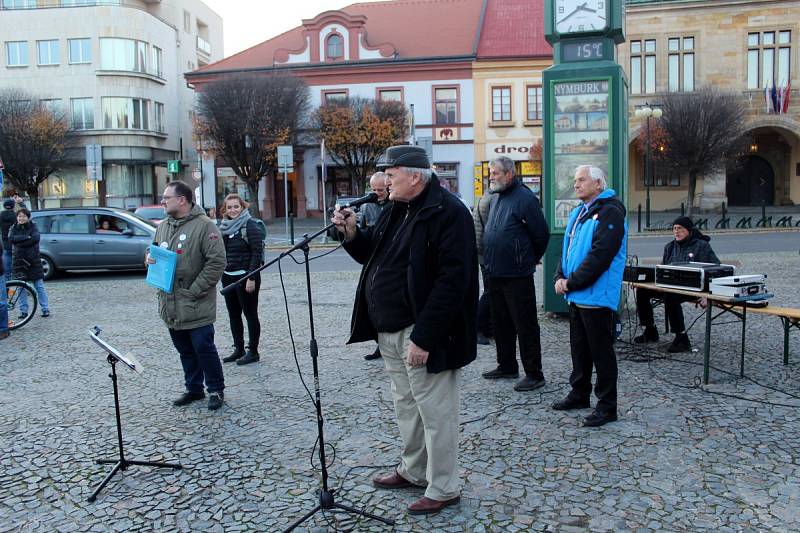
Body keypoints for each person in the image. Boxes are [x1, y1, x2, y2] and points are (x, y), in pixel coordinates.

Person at [331, 145, 478, 515]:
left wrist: (424, 337)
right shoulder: (399, 208)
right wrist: (350, 233)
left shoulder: (449, 212)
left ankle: (444, 486)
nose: (384, 180)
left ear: (414, 176)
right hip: (390, 329)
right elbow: (373, 255)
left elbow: (454, 281)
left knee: (436, 413)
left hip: (423, 332)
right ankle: (413, 470)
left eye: (390, 173)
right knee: (407, 407)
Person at [553, 165, 627, 428]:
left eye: (582, 179)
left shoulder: (611, 212)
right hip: (577, 295)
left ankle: (607, 407)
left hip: (596, 297)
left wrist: (570, 282)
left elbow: (600, 256)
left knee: (601, 353)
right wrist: (559, 277)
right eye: (575, 180)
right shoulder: (578, 213)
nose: (576, 184)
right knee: (580, 350)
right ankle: (579, 393)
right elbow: (568, 250)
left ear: (598, 183)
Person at [146, 181, 227, 411]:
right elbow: (153, 248)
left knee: (204, 347)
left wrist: (194, 291)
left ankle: (215, 389)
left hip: (195, 302)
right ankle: (194, 389)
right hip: (171, 302)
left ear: (182, 200)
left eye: (166, 197)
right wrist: (148, 257)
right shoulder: (164, 225)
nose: (162, 201)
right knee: (185, 349)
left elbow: (216, 262)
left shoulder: (204, 226)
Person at [480, 156, 550, 392]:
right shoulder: (498, 197)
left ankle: (534, 373)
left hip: (517, 274)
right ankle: (507, 365)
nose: (492, 177)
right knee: (501, 322)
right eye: (491, 173)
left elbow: (541, 235)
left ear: (509, 174)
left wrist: (527, 258)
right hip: (496, 271)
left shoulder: (525, 198)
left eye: (495, 173)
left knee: (525, 324)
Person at [634, 216, 720, 352]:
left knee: (670, 295)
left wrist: (707, 295)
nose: (676, 231)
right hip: (672, 286)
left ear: (689, 230)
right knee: (642, 292)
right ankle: (650, 330)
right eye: (674, 228)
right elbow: (663, 270)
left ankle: (681, 338)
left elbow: (716, 269)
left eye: (680, 228)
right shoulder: (670, 247)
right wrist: (645, 282)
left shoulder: (701, 246)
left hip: (695, 289)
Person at [218, 193, 265, 366]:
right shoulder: (223, 226)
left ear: (243, 207)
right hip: (228, 276)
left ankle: (253, 351)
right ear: (225, 209)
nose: (233, 210)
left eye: (236, 206)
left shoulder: (250, 225)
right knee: (233, 315)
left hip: (246, 277)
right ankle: (239, 349)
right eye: (229, 207)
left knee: (250, 314)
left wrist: (251, 277)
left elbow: (257, 253)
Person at [360, 171, 390, 361]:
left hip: (390, 264)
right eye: (374, 189)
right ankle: (380, 345)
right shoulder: (366, 206)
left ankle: (389, 346)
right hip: (373, 262)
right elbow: (363, 232)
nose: (377, 193)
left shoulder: (396, 205)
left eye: (380, 189)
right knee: (374, 306)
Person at [9, 208, 51, 318]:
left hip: (33, 261)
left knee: (39, 286)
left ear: (28, 217)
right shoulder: (13, 228)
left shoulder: (33, 226)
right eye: (19, 216)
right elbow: (11, 238)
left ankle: (45, 308)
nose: (21, 218)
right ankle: (24, 311)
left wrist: (19, 242)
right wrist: (26, 237)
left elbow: (35, 239)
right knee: (20, 287)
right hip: (19, 261)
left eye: (23, 216)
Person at [472, 191, 498, 346]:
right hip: (488, 253)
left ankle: (487, 327)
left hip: (483, 251)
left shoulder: (486, 196)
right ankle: (479, 328)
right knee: (490, 292)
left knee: (491, 291)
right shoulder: (493, 199)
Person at [1, 199, 16, 281]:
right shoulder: (16, 216)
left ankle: (6, 290)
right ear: (13, 206)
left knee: (6, 270)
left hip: (5, 244)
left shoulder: (1, 215)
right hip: (15, 244)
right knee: (18, 270)